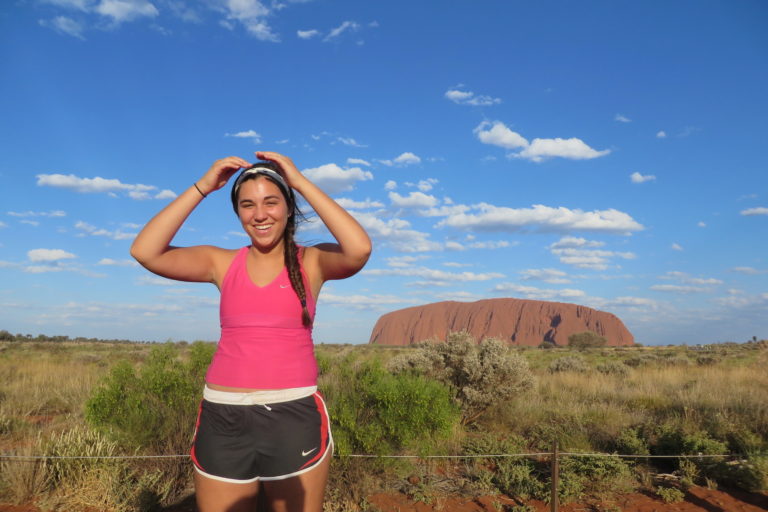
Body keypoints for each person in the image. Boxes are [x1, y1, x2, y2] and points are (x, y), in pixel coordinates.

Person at [130, 151, 372, 512]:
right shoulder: (222, 263)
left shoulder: (312, 261)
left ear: (289, 207)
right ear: (239, 214)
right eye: (248, 205)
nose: (260, 214)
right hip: (223, 415)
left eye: (271, 202)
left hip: (293, 414)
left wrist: (300, 182)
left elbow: (359, 248)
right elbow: (145, 251)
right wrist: (203, 186)